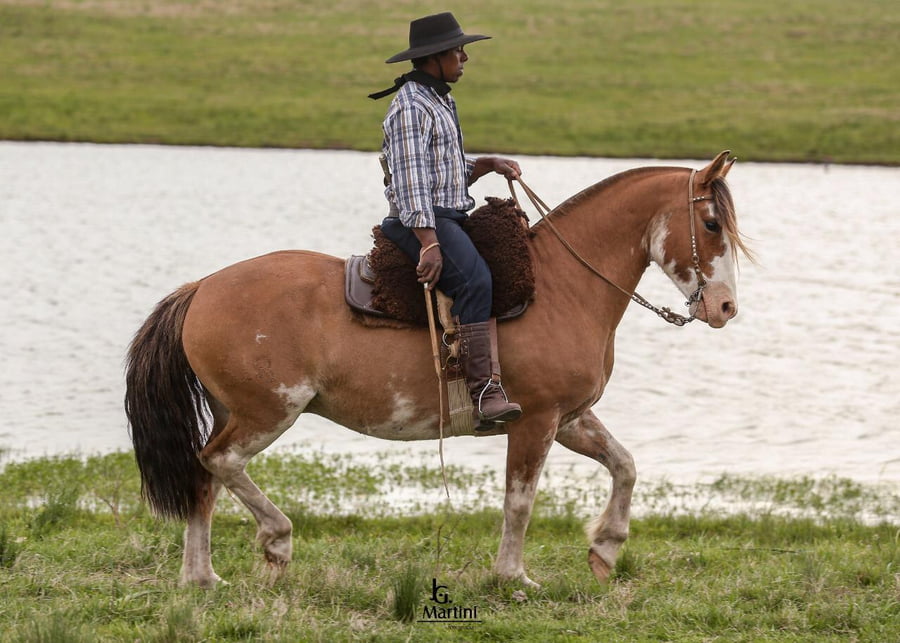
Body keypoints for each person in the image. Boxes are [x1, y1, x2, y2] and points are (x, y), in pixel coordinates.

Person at [369, 12, 522, 428]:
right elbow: (410, 182)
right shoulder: (410, 108)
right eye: (458, 51)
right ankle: (483, 393)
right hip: (422, 220)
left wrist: (485, 165)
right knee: (475, 281)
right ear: (435, 57)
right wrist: (429, 242)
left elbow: (441, 171)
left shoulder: (439, 100)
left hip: (444, 213)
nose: (464, 58)